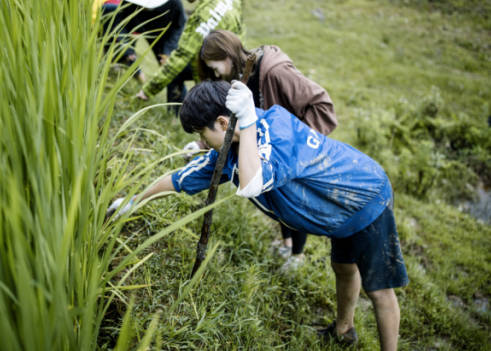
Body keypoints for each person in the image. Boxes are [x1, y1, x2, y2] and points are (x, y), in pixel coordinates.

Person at [110, 80, 408, 350]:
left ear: (224, 122)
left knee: (379, 290)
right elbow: (182, 178)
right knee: (343, 267)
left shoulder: (276, 131)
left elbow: (253, 182)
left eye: (202, 133)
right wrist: (133, 201)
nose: (202, 140)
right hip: (339, 212)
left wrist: (249, 123)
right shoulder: (235, 143)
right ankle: (344, 331)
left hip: (364, 197)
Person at [183, 30, 338, 271]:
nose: (215, 74)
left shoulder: (275, 71)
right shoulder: (241, 78)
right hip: (269, 145)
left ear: (228, 56)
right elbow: (227, 123)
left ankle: (297, 257)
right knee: (277, 194)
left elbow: (321, 104)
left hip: (291, 147)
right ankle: (286, 246)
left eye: (215, 68)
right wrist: (202, 144)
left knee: (293, 198)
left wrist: (297, 143)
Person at [135, 0, 246, 111]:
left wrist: (148, 90)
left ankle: (174, 117)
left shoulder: (202, 17)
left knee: (175, 71)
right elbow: (241, 26)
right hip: (236, 61)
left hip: (214, 70)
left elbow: (180, 56)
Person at [113, 0, 188, 114]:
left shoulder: (173, 0)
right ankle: (131, 77)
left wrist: (168, 51)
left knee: (171, 70)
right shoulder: (128, 0)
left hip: (168, 35)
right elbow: (121, 24)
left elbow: (179, 26)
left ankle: (176, 112)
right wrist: (126, 48)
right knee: (125, 52)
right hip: (146, 32)